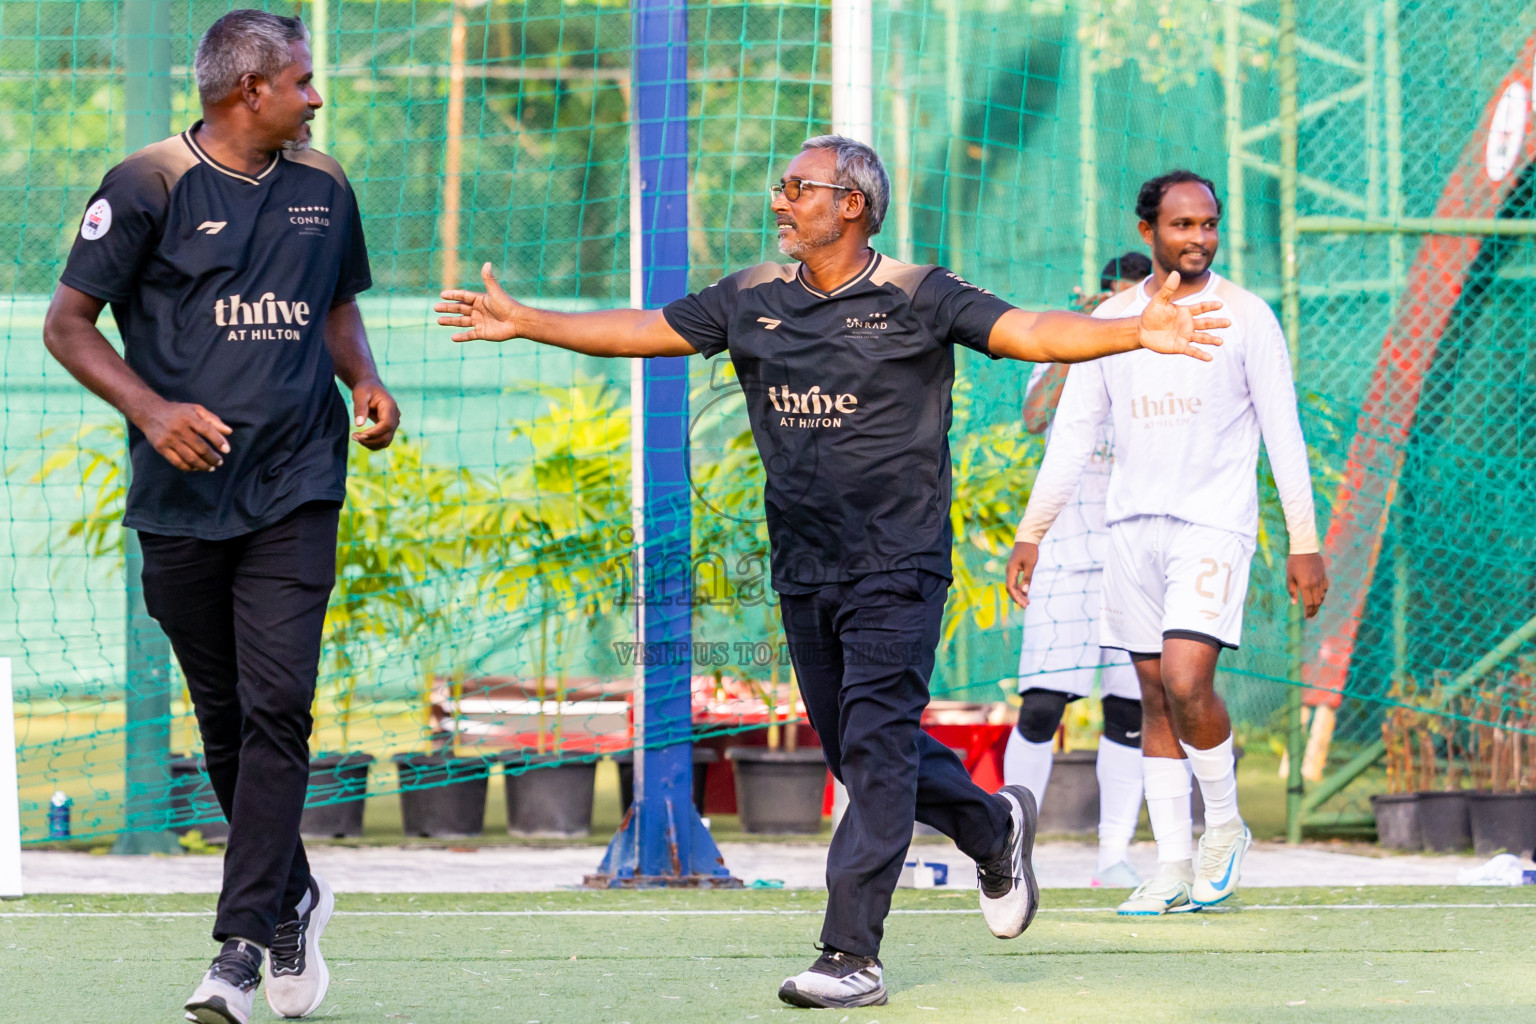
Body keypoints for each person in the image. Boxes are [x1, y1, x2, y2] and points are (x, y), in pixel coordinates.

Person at [436, 136, 1225, 1008]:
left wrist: (1131, 332)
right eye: (780, 186)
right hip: (806, 563)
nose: (779, 201)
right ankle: (991, 822)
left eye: (797, 188)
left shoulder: (919, 294)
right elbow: (646, 330)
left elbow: (1031, 330)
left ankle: (851, 952)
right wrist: (528, 320)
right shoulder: (751, 296)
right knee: (859, 755)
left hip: (900, 561)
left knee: (878, 753)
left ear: (851, 204)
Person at [42, 11, 398, 1023]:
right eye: (302, 80)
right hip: (183, 499)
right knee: (228, 718)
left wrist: (364, 377)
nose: (316, 96)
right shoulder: (145, 183)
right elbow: (66, 325)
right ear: (250, 92)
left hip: (298, 482)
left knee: (279, 702)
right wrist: (152, 412)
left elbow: (336, 302)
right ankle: (292, 889)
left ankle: (242, 946)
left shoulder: (323, 185)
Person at [1006, 170, 1327, 917]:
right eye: (1183, 226)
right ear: (1148, 231)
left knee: (1186, 681)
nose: (1199, 239)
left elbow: (1283, 431)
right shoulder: (1113, 322)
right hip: (1129, 531)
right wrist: (1033, 532)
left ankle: (1224, 827)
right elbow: (1072, 437)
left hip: (1212, 526)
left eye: (1209, 224)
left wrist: (1305, 541)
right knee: (1152, 696)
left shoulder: (1246, 316)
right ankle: (1170, 866)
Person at [1004, 252, 1153, 890]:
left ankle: (1112, 855)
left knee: (1130, 709)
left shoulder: (1167, 357)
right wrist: (1082, 341)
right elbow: (1035, 418)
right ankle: (1009, 847)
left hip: (1136, 555)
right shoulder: (1065, 348)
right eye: (1112, 302)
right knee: (1041, 707)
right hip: (1065, 555)